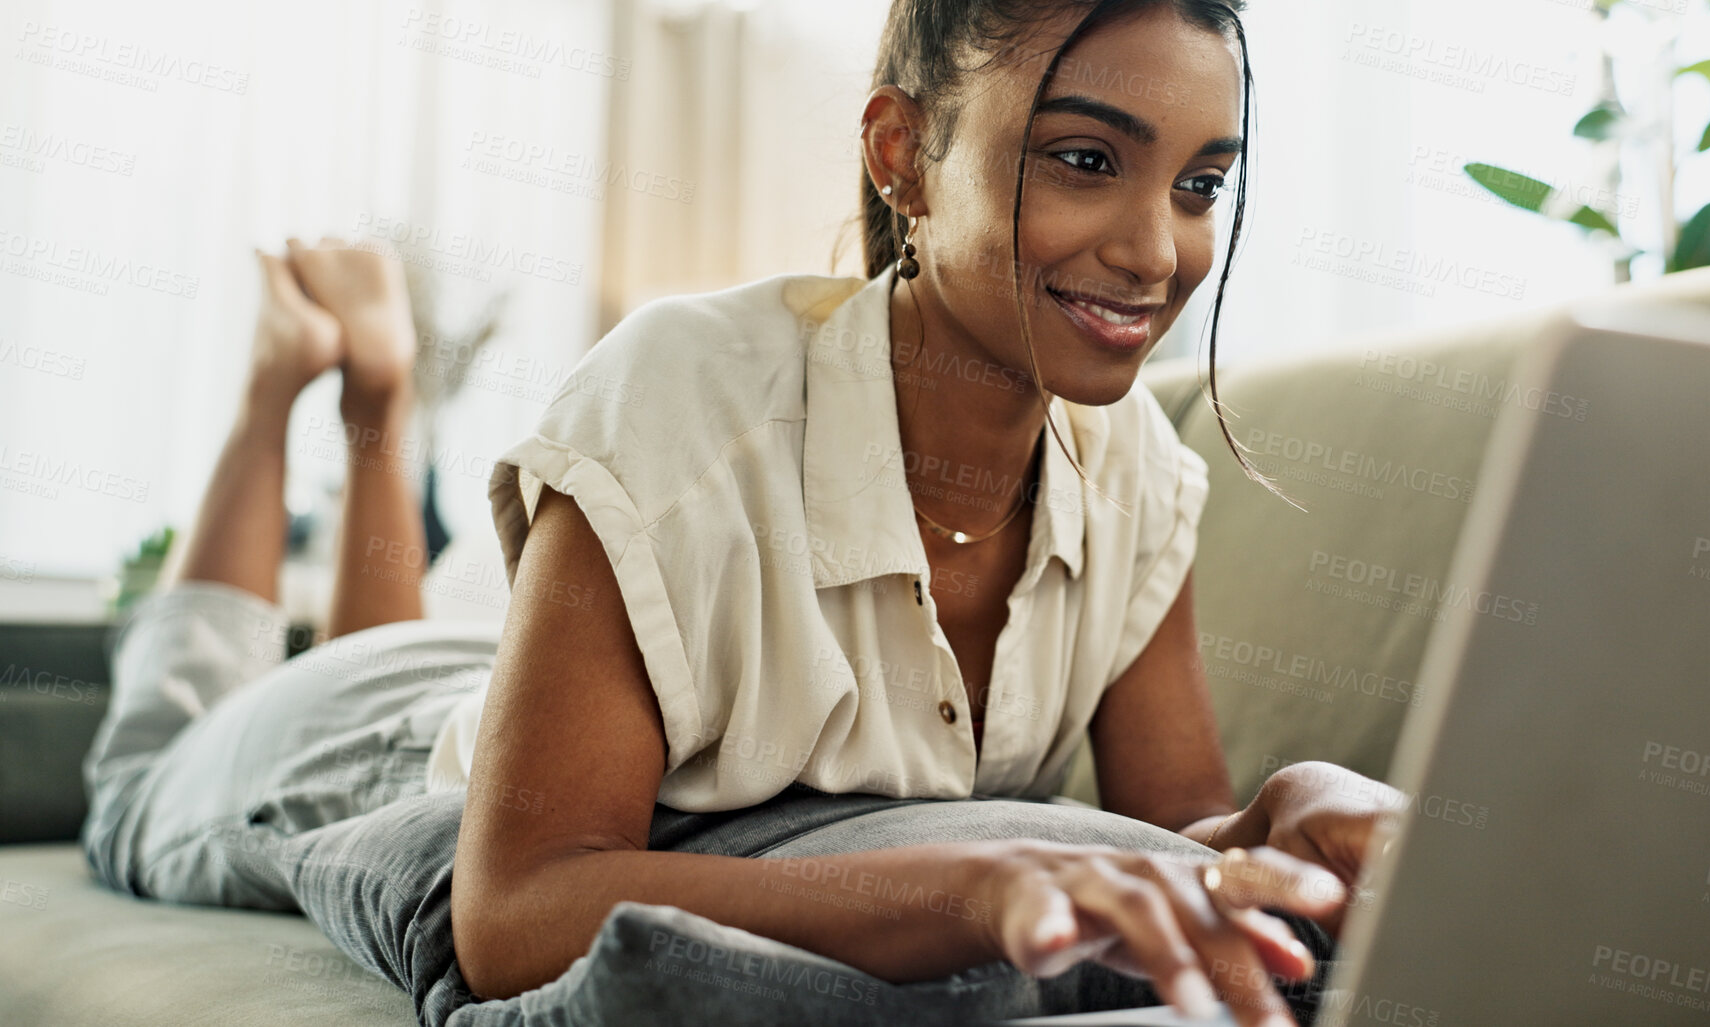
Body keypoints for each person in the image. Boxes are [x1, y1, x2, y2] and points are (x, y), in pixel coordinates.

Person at [80, 2, 1406, 1025]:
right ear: (903, 152)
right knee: (146, 761)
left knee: (399, 644)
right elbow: (514, 913)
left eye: (1199, 183)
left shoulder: (1136, 474)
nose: (1157, 250)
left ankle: (382, 395)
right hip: (361, 755)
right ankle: (289, 387)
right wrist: (962, 890)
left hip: (501, 697)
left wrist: (1288, 812)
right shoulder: (684, 391)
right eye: (1082, 159)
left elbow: (1166, 844)